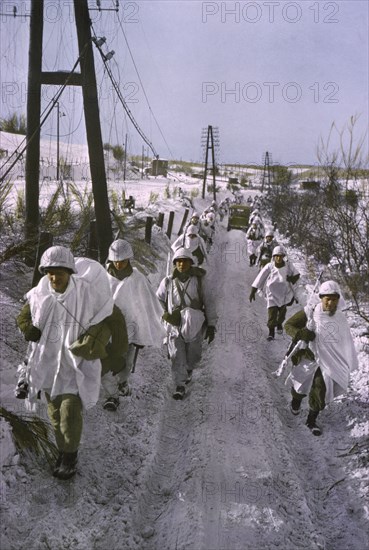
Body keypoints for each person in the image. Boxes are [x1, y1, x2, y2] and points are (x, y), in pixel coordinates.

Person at [16, 246, 117, 480]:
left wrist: (96, 339)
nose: (54, 277)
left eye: (59, 272)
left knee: (70, 412)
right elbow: (23, 315)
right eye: (50, 272)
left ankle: (70, 457)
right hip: (49, 364)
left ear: (70, 272)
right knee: (54, 413)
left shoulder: (85, 293)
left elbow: (106, 315)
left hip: (75, 363)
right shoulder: (40, 292)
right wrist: (28, 328)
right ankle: (63, 450)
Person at [284, 280, 358, 436]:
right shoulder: (310, 312)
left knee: (320, 388)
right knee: (300, 384)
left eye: (334, 299)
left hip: (328, 361)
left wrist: (346, 360)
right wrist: (301, 333)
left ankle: (311, 420)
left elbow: (345, 341)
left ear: (338, 300)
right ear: (321, 298)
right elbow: (288, 325)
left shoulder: (340, 318)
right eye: (327, 299)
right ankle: (296, 401)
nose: (330, 303)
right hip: (307, 356)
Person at [102, 239, 165, 411]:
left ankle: (122, 382)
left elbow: (145, 306)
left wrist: (141, 333)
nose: (119, 264)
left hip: (130, 328)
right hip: (107, 329)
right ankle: (111, 396)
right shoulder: (103, 277)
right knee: (107, 362)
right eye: (116, 261)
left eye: (122, 261)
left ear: (129, 259)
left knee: (126, 362)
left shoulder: (137, 279)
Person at [156, 248, 217, 400]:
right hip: (175, 324)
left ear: (190, 263)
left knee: (194, 355)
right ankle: (180, 385)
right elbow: (158, 299)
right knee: (177, 354)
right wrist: (164, 315)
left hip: (195, 322)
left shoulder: (200, 281)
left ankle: (188, 370)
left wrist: (211, 325)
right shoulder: (168, 281)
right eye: (179, 261)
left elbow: (209, 302)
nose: (182, 264)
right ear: (175, 263)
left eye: (185, 261)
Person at [249, 245, 300, 340]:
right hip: (272, 294)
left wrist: (292, 278)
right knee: (272, 314)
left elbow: (297, 274)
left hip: (284, 294)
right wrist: (253, 290)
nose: (279, 258)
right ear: (273, 257)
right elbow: (260, 277)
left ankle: (279, 323)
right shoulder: (270, 266)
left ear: (283, 256)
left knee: (281, 314)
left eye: (281, 256)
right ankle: (271, 332)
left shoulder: (288, 266)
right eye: (277, 256)